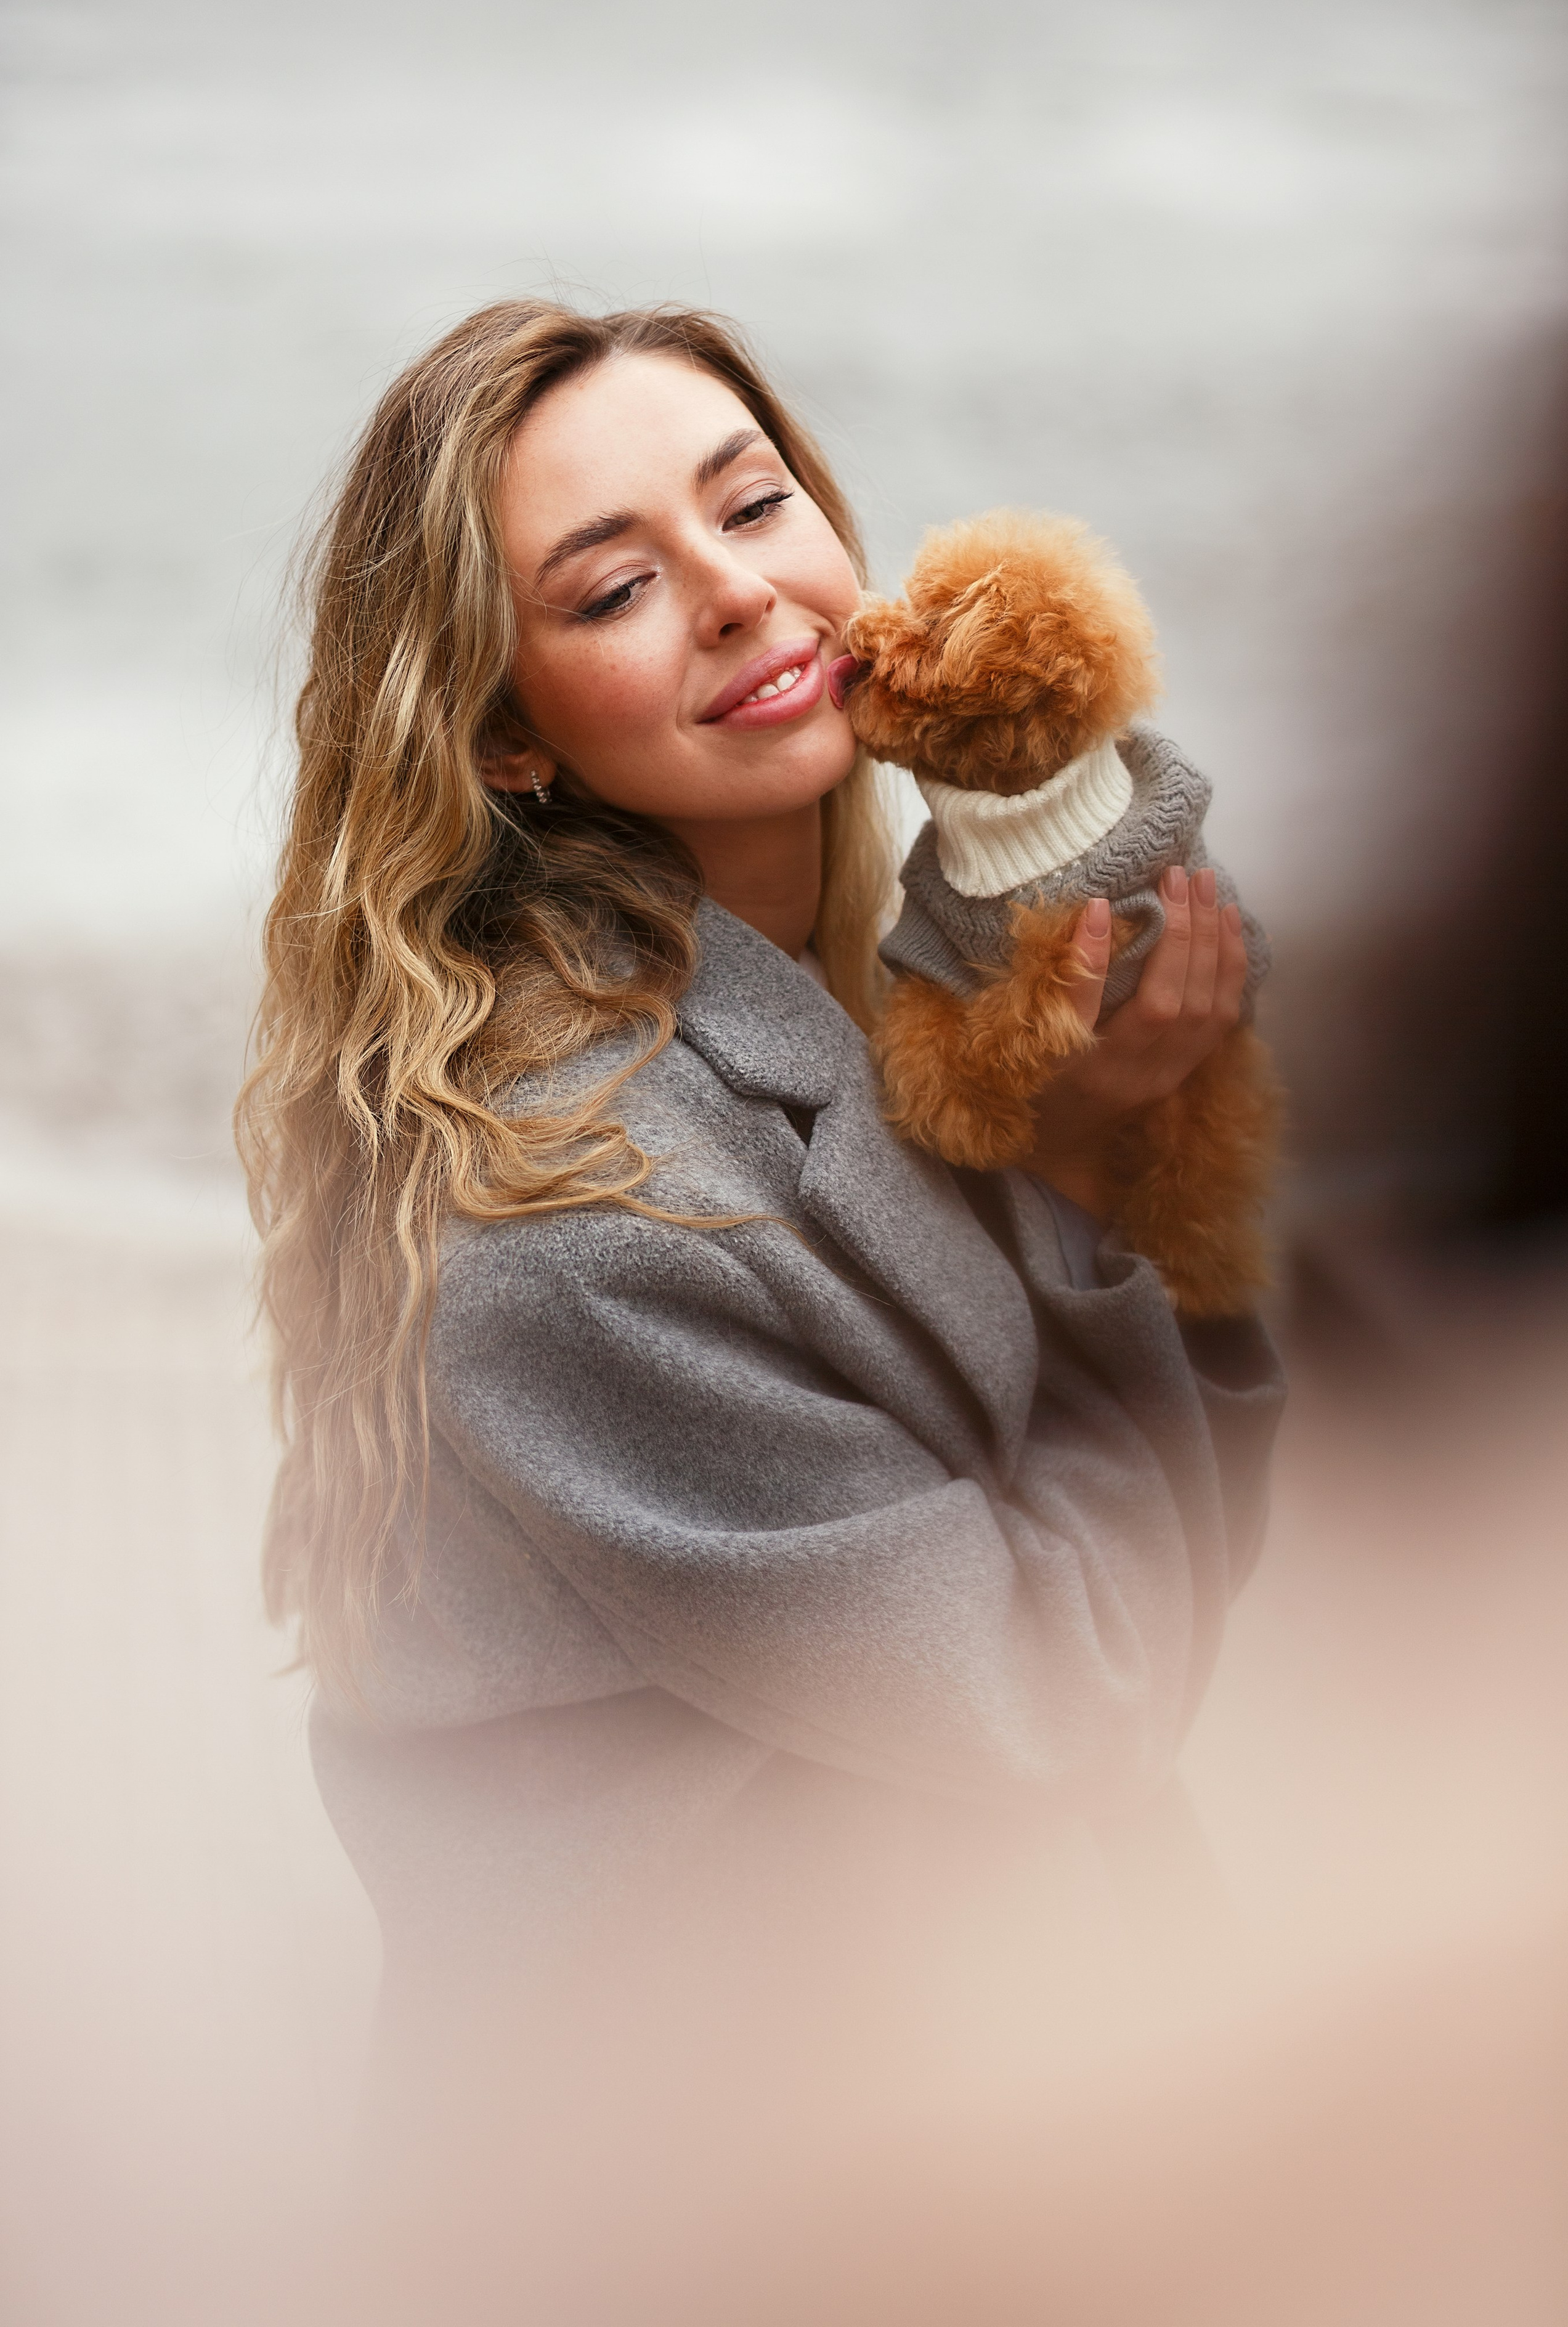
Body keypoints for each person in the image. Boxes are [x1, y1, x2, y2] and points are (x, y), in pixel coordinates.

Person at [237, 299, 1283, 2315]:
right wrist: (1081, 1185)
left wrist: (1126, 1159)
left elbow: (1155, 1568)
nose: (733, 590)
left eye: (750, 501)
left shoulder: (863, 1005)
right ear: (508, 732)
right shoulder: (575, 1208)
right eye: (614, 586)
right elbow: (1070, 1690)